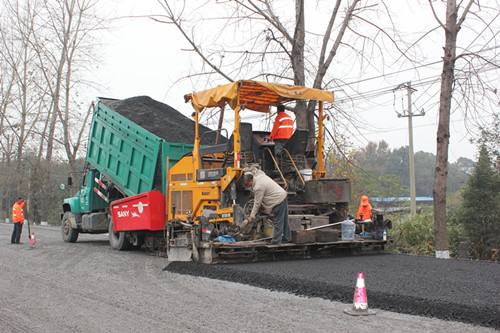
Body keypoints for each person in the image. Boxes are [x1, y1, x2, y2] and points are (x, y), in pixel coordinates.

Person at [243, 169, 291, 244]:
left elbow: (257, 203)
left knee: (278, 222)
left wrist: (251, 216)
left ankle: (276, 242)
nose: (247, 186)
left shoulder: (258, 187)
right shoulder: (259, 176)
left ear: (251, 180)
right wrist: (248, 170)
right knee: (284, 221)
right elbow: (258, 170)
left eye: (247, 184)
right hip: (282, 196)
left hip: (277, 200)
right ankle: (287, 238)